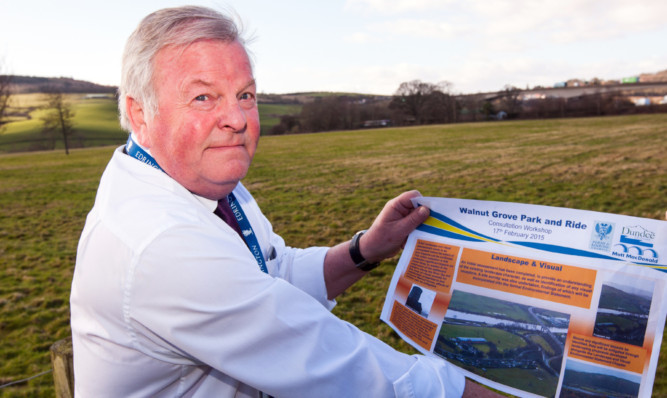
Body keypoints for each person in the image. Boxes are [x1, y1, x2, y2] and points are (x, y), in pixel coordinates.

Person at [70, 6, 502, 397]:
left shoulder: (200, 182)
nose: (237, 119)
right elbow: (334, 364)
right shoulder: (160, 242)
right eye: (203, 97)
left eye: (245, 95)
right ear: (141, 111)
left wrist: (365, 249)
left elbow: (269, 275)